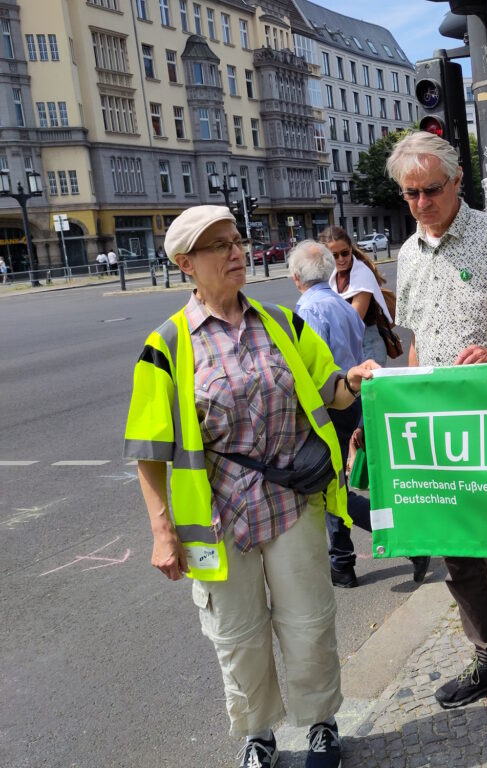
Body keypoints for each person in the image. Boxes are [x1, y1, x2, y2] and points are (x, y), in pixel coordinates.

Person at [124, 205, 378, 768]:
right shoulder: (166, 345)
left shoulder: (282, 323)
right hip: (219, 517)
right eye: (219, 246)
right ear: (187, 263)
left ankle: (320, 723)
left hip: (292, 503)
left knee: (308, 621)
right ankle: (258, 733)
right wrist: (163, 531)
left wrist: (351, 381)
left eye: (237, 240)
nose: (236, 252)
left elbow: (327, 388)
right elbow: (148, 449)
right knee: (236, 635)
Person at [383, 130, 487, 719]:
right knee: (458, 557)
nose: (422, 203)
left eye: (431, 190)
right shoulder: (406, 253)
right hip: (437, 430)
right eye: (410, 194)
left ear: (457, 182)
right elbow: (418, 340)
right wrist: (403, 404)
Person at [288, 239, 429, 588]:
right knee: (334, 485)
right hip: (350, 400)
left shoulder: (309, 311)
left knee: (331, 488)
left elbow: (314, 370)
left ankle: (403, 540)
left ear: (295, 278)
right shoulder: (342, 303)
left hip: (328, 406)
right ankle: (343, 562)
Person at [319, 226, 393, 365]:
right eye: (334, 255)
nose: (341, 259)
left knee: (367, 387)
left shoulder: (361, 275)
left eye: (345, 253)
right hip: (348, 345)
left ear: (351, 249)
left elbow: (354, 319)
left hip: (368, 347)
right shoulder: (333, 274)